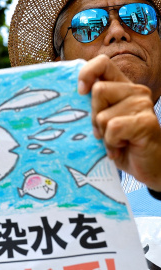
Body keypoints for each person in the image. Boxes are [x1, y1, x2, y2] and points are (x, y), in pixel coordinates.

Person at [8, 0, 161, 268]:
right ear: (60, 61)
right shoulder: (29, 163)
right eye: (89, 24)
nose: (117, 30)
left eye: (139, 16)